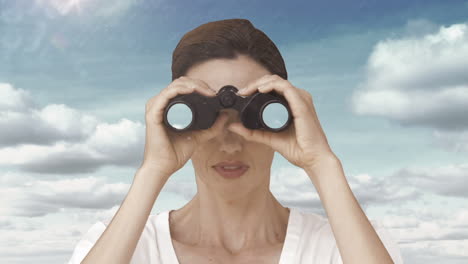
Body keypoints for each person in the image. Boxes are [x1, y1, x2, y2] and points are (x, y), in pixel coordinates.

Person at [68, 18, 404, 264]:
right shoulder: (124, 246)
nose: (229, 144)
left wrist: (323, 164)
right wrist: (152, 170)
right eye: (208, 117)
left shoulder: (345, 245)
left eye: (249, 118)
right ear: (175, 115)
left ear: (286, 114)